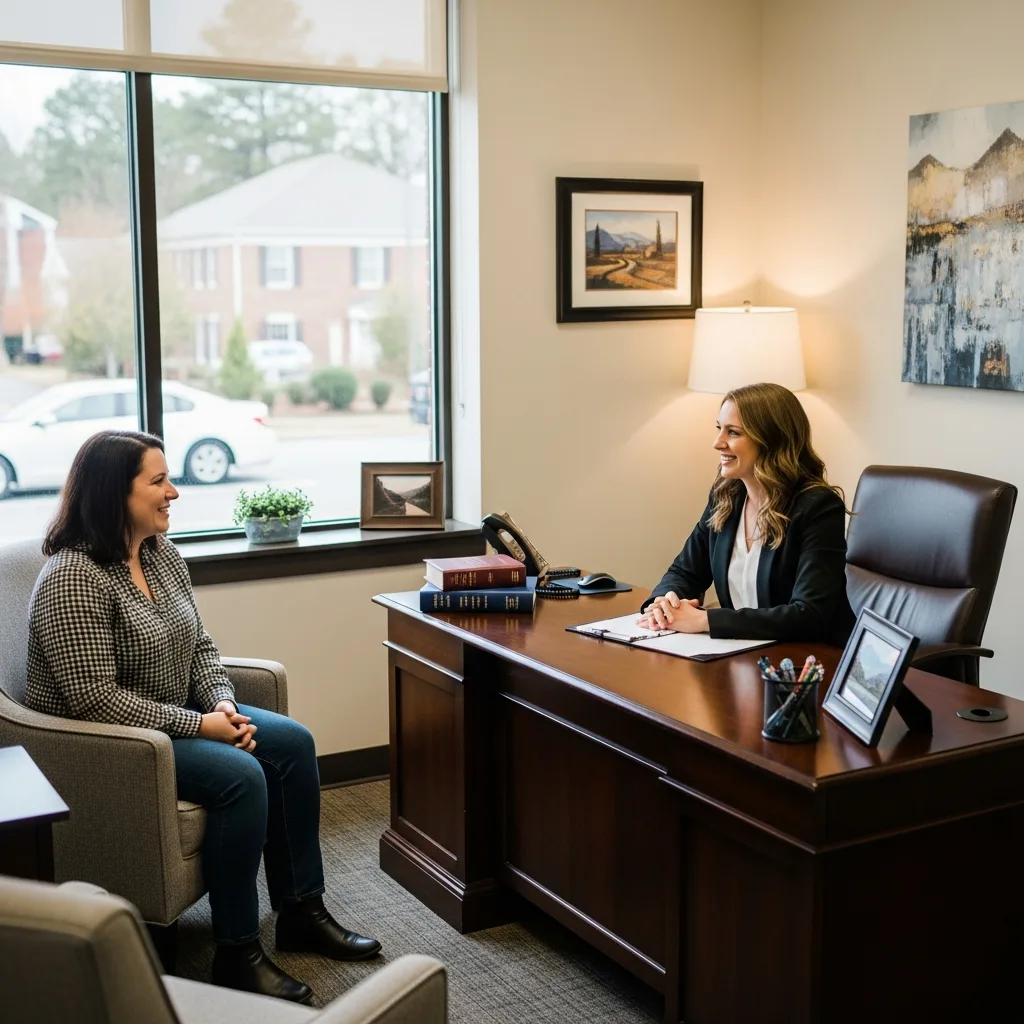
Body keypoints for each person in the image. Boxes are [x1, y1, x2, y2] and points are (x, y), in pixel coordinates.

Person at [25, 430, 381, 1005]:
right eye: (159, 480)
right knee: (242, 777)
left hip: (174, 716)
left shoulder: (160, 555)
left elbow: (200, 648)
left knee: (292, 744)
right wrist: (199, 728)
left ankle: (301, 910)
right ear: (116, 492)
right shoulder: (72, 577)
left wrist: (222, 701)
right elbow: (94, 699)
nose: (174, 492)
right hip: (111, 741)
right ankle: (236, 951)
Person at [638, 382, 855, 647]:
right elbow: (685, 572)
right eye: (719, 429)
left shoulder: (817, 507)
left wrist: (704, 621)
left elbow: (809, 615)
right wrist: (663, 602)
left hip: (806, 664)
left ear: (770, 440)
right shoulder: (726, 497)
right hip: (742, 655)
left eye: (733, 432)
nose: (718, 443)